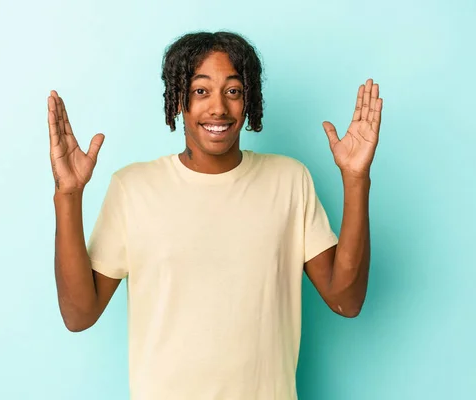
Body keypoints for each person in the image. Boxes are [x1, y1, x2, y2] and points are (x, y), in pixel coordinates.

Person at [48, 31, 382, 400]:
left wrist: (355, 179)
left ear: (249, 100)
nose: (218, 108)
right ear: (178, 100)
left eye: (234, 91)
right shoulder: (134, 187)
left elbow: (346, 301)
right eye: (200, 91)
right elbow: (79, 315)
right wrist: (68, 195)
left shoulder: (289, 179)